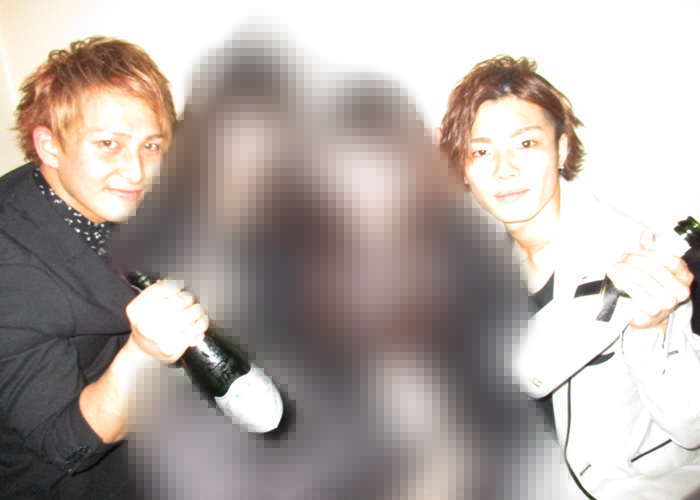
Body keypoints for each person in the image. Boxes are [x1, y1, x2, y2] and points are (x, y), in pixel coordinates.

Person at [439, 55, 700, 499]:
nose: (504, 169)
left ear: (560, 150)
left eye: (525, 144)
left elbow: (692, 428)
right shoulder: (471, 262)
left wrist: (650, 332)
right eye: (480, 152)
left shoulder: (635, 257)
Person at [0, 37, 209, 499]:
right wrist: (144, 353)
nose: (136, 172)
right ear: (49, 146)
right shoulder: (11, 271)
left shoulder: (102, 191)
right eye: (108, 144)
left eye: (151, 145)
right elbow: (66, 444)